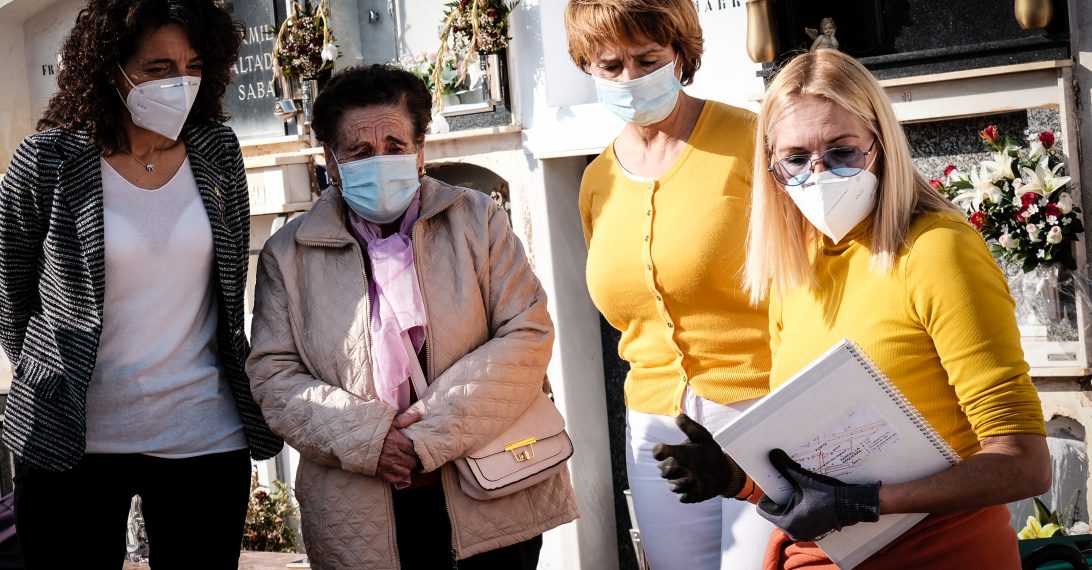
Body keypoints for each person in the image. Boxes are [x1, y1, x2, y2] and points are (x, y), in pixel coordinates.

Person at [656, 48, 1050, 569]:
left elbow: (1023, 464)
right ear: (771, 168)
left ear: (881, 147)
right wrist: (739, 479)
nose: (818, 174)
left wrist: (864, 503)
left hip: (939, 552)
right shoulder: (794, 265)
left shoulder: (936, 250)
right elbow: (818, 473)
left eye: (842, 152)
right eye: (796, 159)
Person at [0, 1, 284, 568]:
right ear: (109, 69)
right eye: (157, 68)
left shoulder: (217, 152)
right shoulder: (50, 159)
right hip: (72, 439)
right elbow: (4, 282)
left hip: (204, 434)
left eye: (193, 65)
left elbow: (229, 280)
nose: (180, 82)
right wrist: (49, 371)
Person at [246, 64, 579, 570]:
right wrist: (369, 440)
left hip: (491, 494)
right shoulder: (287, 254)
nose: (380, 161)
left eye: (395, 145)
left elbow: (527, 333)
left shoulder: (478, 220)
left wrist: (423, 436)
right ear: (331, 162)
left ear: (419, 152)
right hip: (358, 516)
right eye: (360, 152)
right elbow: (274, 376)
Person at [564, 1, 775, 568]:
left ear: (680, 54)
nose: (629, 78)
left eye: (647, 60)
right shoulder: (597, 180)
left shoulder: (751, 139)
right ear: (587, 67)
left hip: (762, 405)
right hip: (654, 423)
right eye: (610, 66)